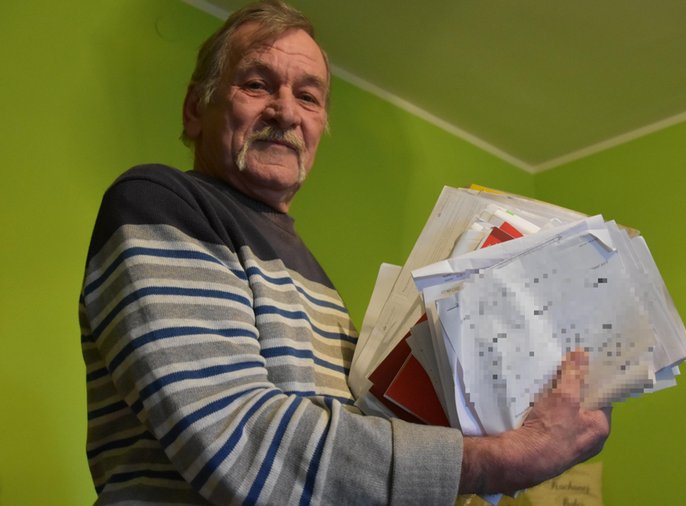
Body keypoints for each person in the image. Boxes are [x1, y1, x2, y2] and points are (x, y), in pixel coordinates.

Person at [79, 1, 610, 504]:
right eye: (257, 84)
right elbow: (239, 443)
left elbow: (351, 459)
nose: (286, 112)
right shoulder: (159, 201)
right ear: (196, 109)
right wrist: (499, 460)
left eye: (309, 97)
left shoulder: (312, 275)